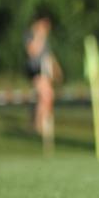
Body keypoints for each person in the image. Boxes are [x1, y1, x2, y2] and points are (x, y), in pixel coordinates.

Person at [24, 13, 62, 149]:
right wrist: (39, 35)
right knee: (45, 95)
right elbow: (33, 51)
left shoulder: (45, 40)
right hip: (36, 72)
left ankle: (40, 124)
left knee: (47, 97)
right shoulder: (31, 35)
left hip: (45, 73)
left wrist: (57, 69)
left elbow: (48, 55)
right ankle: (37, 126)